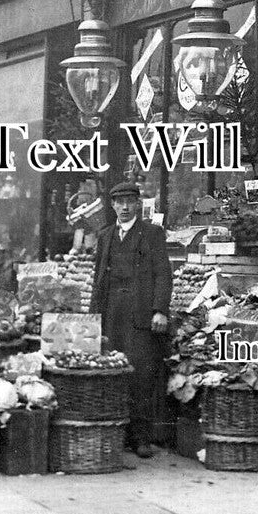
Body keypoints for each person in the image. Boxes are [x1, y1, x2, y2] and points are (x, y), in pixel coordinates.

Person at [89, 181, 171, 458]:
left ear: (137, 204)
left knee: (140, 374)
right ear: (112, 205)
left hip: (140, 313)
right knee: (112, 373)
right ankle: (116, 434)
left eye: (129, 202)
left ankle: (141, 438)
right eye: (119, 202)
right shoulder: (106, 236)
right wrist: (93, 316)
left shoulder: (152, 233)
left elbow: (163, 273)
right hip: (112, 311)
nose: (124, 207)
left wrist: (160, 310)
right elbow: (98, 279)